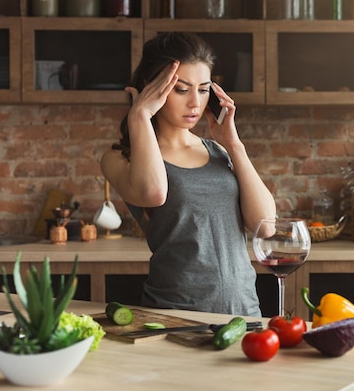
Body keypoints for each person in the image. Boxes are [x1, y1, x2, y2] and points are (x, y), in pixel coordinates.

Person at [100, 32, 276, 317]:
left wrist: (234, 145)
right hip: (175, 315)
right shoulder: (120, 158)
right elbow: (153, 193)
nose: (195, 102)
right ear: (151, 87)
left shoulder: (219, 151)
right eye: (181, 90)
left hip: (244, 312)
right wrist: (139, 115)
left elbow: (265, 227)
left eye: (204, 89)